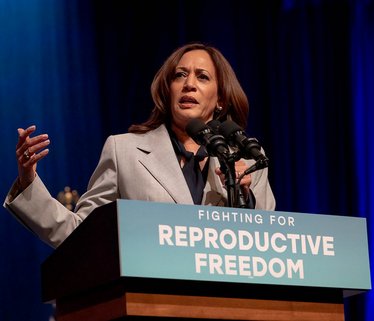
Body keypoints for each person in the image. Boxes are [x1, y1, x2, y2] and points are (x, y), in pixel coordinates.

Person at [4, 42, 276, 248]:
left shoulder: (247, 158)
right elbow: (80, 235)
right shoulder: (124, 152)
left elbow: (270, 246)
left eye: (202, 77)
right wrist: (28, 181)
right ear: (167, 89)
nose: (188, 84)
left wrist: (244, 199)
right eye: (180, 75)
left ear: (221, 100)